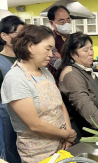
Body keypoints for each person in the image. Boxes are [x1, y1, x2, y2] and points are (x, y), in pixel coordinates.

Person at [1, 25, 76, 163]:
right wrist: (67, 134)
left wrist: (67, 135)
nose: (51, 54)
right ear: (30, 46)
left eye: (52, 50)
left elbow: (60, 105)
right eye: (48, 49)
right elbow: (34, 125)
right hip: (38, 153)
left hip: (61, 147)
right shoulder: (16, 79)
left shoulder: (45, 72)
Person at [58, 32, 98, 142]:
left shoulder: (85, 69)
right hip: (84, 131)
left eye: (91, 49)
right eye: (85, 50)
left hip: (96, 125)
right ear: (73, 54)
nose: (91, 53)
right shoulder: (71, 74)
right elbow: (83, 101)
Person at [0, 15, 24, 163]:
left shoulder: (26, 60)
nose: (22, 38)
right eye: (17, 34)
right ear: (4, 35)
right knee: (9, 151)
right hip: (6, 118)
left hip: (27, 118)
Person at [47, 5, 72, 82]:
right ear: (52, 23)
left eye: (68, 20)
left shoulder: (74, 39)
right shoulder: (49, 40)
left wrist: (63, 58)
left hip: (75, 81)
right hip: (58, 83)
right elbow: (58, 64)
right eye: (61, 21)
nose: (66, 23)